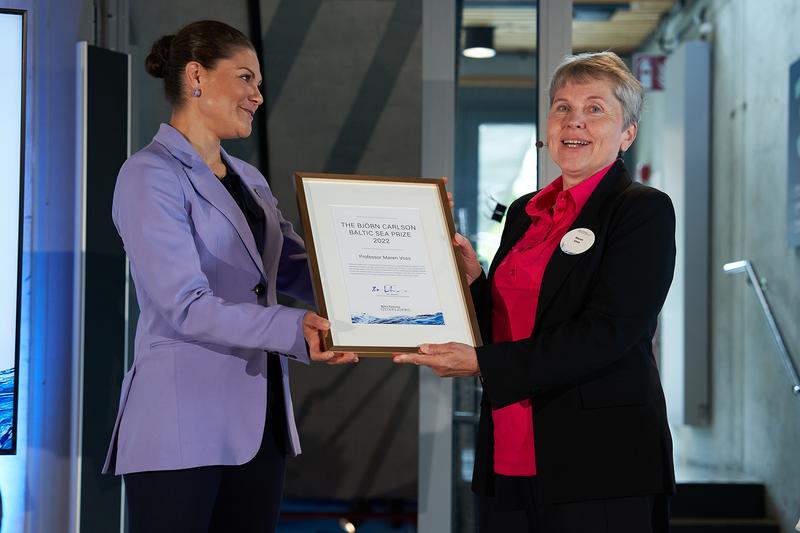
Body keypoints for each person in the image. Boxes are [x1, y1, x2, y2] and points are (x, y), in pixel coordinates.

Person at [395, 51, 676, 532]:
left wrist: (483, 364)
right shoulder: (525, 211)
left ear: (627, 134)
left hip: (601, 458)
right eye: (562, 106)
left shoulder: (641, 210)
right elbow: (512, 321)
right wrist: (474, 282)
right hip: (510, 444)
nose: (575, 120)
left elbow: (610, 332)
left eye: (595, 108)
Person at [102, 20, 357, 533]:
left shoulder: (249, 178)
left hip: (261, 429)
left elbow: (288, 267)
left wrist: (386, 285)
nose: (258, 96)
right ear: (196, 76)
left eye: (258, 83)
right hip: (180, 431)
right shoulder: (148, 174)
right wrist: (294, 330)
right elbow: (185, 305)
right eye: (246, 78)